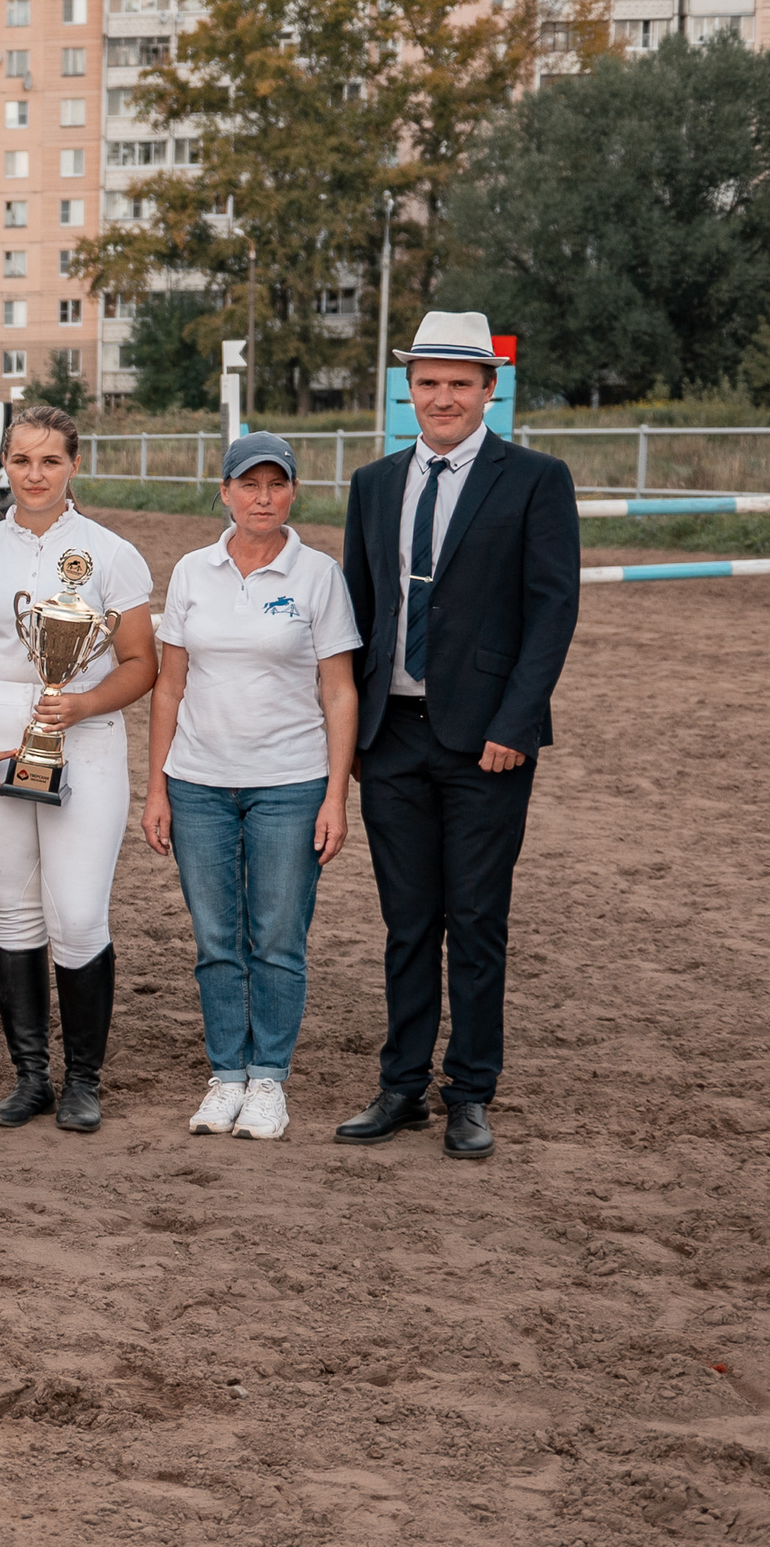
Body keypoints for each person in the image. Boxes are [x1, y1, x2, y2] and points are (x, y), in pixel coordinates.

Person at [335, 310, 578, 1161]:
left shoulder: (536, 479)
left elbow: (552, 611)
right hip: (392, 737)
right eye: (428, 382)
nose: (442, 397)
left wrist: (516, 721)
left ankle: (470, 1089)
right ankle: (401, 1083)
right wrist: (354, 735)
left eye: (459, 383)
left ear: (488, 390)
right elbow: (357, 616)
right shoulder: (373, 484)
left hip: (488, 743)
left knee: (476, 918)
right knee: (408, 920)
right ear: (410, 389)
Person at [0, 403, 157, 1134]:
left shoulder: (112, 553)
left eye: (50, 461)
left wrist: (86, 701)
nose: (34, 475)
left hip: (82, 738)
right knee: (9, 913)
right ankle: (31, 1075)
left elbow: (141, 663)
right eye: (22, 460)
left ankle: (83, 1078)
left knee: (79, 912)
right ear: (4, 463)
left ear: (74, 465)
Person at [141, 433, 361, 1144]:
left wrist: (336, 795)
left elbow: (339, 690)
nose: (263, 496)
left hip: (290, 783)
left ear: (293, 491)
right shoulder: (191, 572)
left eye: (277, 483)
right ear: (226, 491)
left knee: (276, 936)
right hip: (199, 782)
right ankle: (224, 1076)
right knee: (215, 939)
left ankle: (267, 1078)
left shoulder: (318, 575)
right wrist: (157, 786)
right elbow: (169, 686)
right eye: (249, 484)